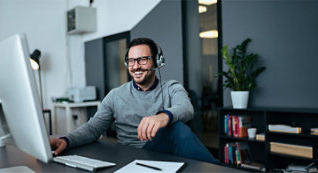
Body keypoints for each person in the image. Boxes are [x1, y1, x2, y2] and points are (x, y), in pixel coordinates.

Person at [50, 37, 217, 163]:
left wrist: (163, 117)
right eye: (131, 61)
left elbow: (186, 108)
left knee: (176, 129)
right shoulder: (115, 95)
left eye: (143, 59)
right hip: (129, 158)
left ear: (158, 61)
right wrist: (66, 140)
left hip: (163, 155)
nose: (136, 66)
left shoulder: (171, 87)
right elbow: (93, 128)